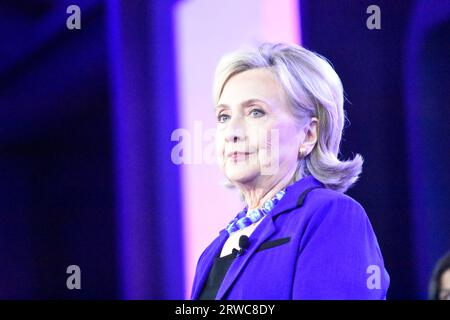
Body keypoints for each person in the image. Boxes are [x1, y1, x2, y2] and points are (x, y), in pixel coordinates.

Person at [190, 43, 390, 300]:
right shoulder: (213, 250)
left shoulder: (330, 214)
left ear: (308, 135)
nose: (232, 132)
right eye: (224, 116)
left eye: (255, 112)